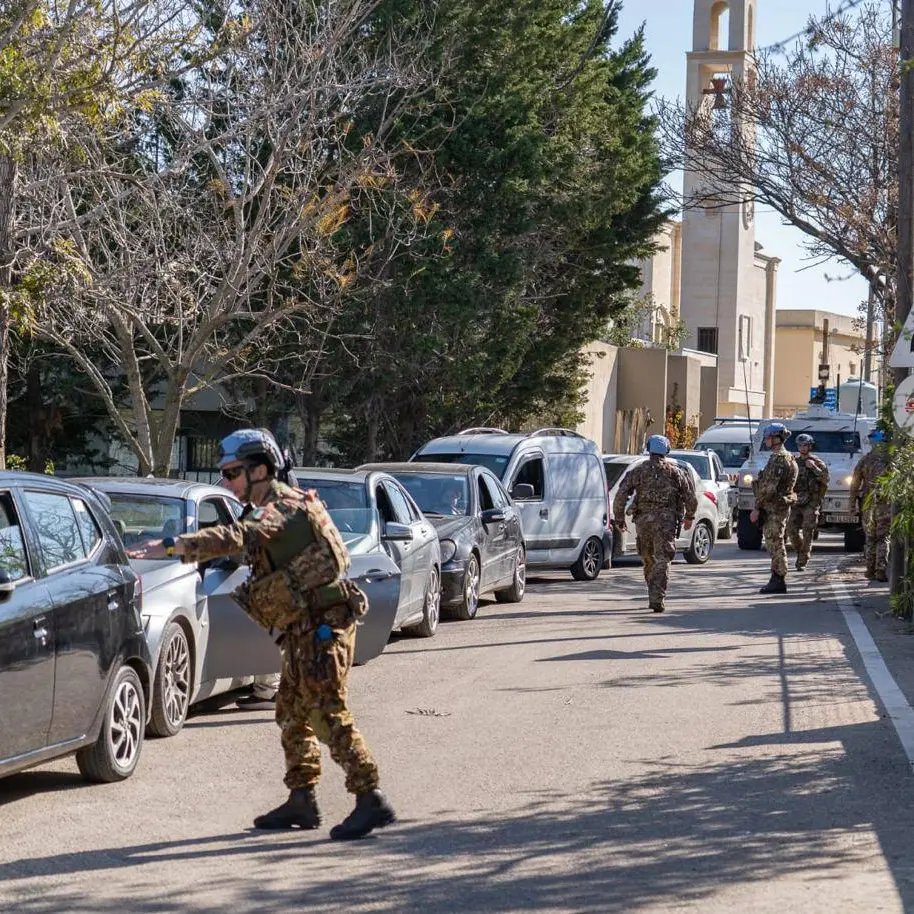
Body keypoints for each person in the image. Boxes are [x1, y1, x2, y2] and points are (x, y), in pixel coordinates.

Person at [128, 428, 395, 840]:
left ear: (260, 470)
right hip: (304, 629)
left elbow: (237, 537)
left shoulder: (281, 507)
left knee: (327, 712)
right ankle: (302, 798)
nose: (226, 483)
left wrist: (170, 546)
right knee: (290, 711)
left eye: (232, 473)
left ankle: (369, 797)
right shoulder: (275, 506)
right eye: (224, 474)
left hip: (323, 628)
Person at [612, 434, 697, 613]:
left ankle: (654, 593)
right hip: (666, 523)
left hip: (643, 522)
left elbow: (621, 495)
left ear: (649, 449)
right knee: (663, 559)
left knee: (648, 558)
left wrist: (619, 519)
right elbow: (690, 496)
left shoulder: (638, 471)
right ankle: (657, 596)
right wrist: (689, 517)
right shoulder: (675, 472)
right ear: (666, 450)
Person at [751, 422, 798, 595]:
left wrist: (757, 507)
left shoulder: (779, 459)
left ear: (777, 438)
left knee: (775, 542)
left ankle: (779, 579)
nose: (766, 440)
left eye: (768, 438)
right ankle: (776, 577)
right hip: (779, 507)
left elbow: (769, 488)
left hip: (774, 508)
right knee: (776, 541)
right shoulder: (788, 457)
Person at [850, 428, 892, 582]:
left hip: (869, 504)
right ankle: (881, 569)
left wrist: (852, 505)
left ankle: (870, 569)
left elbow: (855, 484)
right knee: (883, 537)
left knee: (870, 538)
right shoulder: (890, 460)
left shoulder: (865, 460)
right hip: (885, 504)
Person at [786, 433, 829, 572]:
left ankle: (802, 560)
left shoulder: (816, 462)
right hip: (796, 500)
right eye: (800, 445)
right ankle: (801, 552)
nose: (802, 448)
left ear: (810, 446)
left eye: (805, 445)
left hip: (811, 501)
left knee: (807, 530)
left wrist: (814, 468)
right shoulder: (794, 462)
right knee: (791, 530)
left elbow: (825, 479)